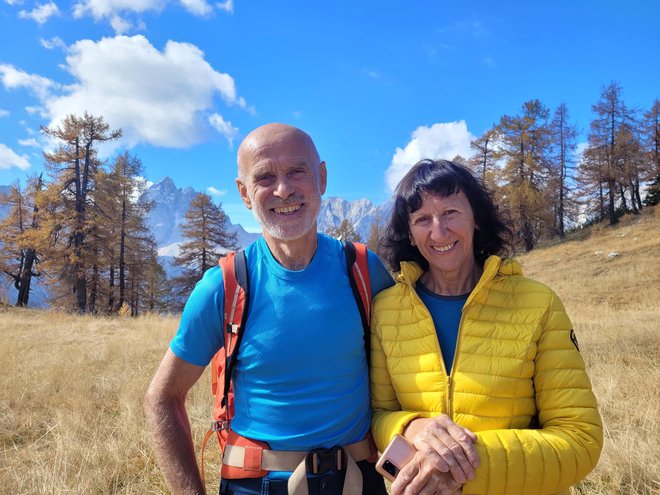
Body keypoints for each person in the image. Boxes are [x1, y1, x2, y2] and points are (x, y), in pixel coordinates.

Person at [144, 123, 394, 495]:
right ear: (244, 194)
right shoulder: (224, 286)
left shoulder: (363, 269)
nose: (283, 189)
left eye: (297, 171)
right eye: (264, 177)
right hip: (256, 486)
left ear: (321, 178)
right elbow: (162, 398)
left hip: (358, 482)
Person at [370, 159, 603, 495]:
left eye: (450, 212)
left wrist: (459, 465)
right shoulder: (386, 310)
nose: (438, 231)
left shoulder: (538, 304)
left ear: (475, 217)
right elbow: (380, 413)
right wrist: (413, 426)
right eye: (423, 219)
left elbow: (580, 440)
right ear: (409, 232)